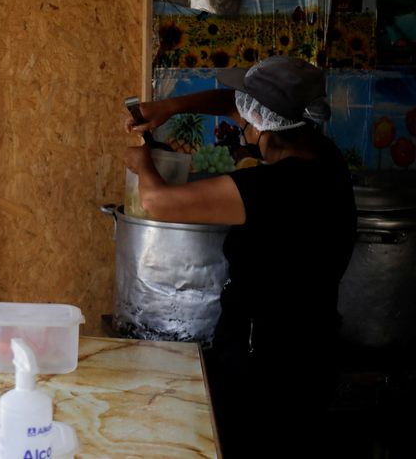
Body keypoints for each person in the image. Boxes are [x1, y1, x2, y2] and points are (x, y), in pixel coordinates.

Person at [123, 56, 357, 458]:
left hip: (266, 365)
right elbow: (232, 101)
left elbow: (157, 202)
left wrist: (143, 164)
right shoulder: (325, 159)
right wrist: (169, 106)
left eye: (246, 114)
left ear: (260, 124)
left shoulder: (271, 188)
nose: (239, 119)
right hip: (314, 349)